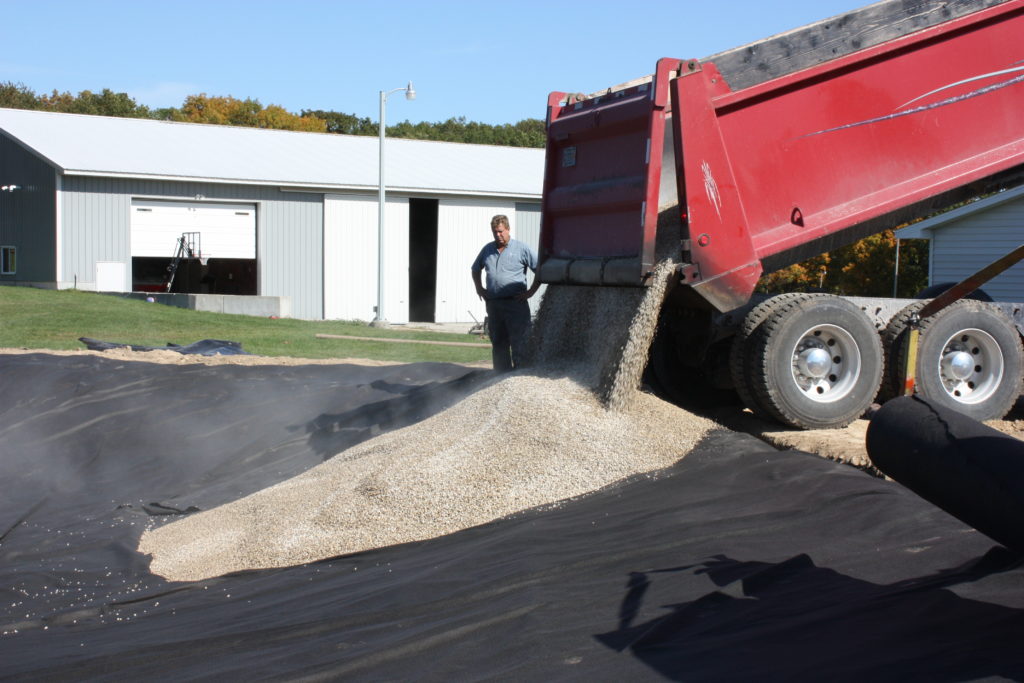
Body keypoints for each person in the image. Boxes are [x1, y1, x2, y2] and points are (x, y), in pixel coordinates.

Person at [471, 214, 540, 372]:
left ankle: (521, 375)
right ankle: (501, 377)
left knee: (520, 340)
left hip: (516, 303)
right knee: (498, 341)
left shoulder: (521, 249)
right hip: (494, 304)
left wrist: (531, 292)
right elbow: (475, 269)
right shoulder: (488, 249)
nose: (498, 235)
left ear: (508, 229)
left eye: (501, 231)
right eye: (495, 232)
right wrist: (479, 288)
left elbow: (539, 269)